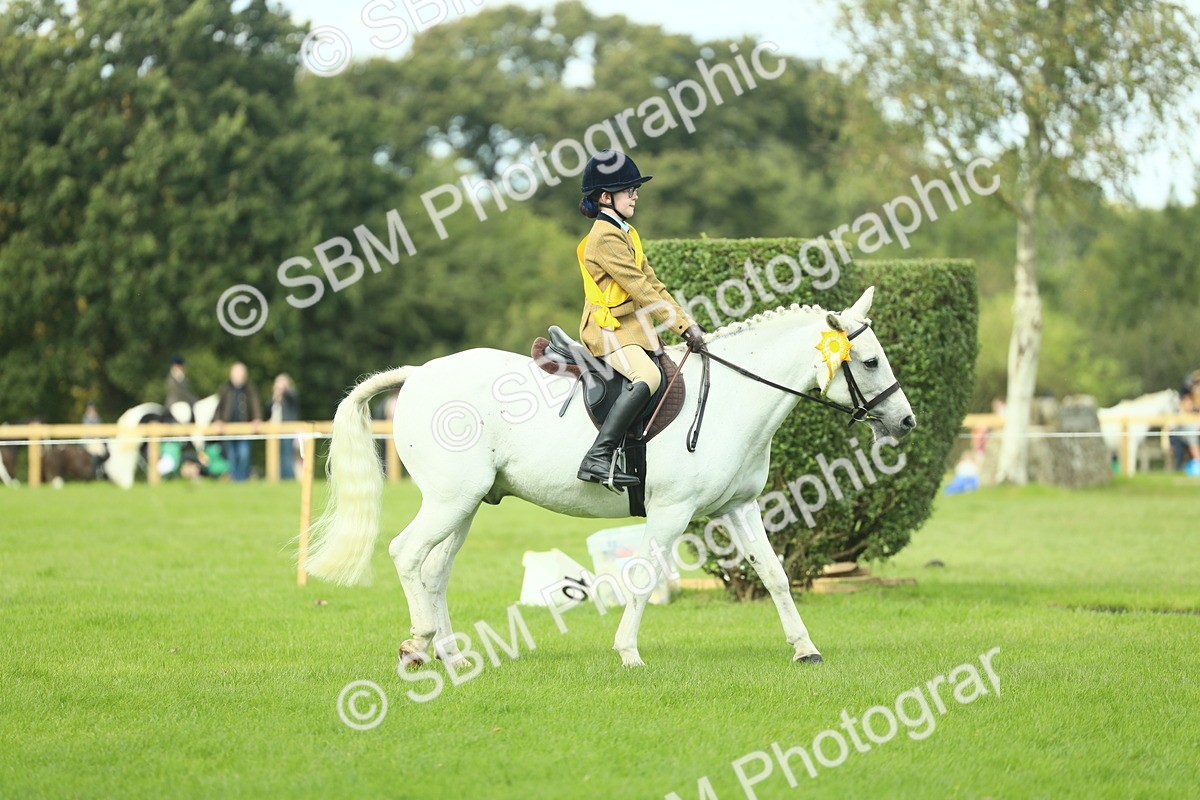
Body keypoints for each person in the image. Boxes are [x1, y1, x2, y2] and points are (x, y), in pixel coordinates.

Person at [574, 149, 704, 487]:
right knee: (648, 375)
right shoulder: (604, 238)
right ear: (606, 197)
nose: (635, 195)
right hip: (606, 327)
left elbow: (654, 284)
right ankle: (598, 457)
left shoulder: (627, 233)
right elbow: (640, 291)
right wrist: (680, 326)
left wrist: (686, 321)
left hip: (631, 326)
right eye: (628, 189)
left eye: (635, 189)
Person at [214, 362, 261, 481]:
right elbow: (219, 407)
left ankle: (243, 478)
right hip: (228, 428)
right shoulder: (225, 388)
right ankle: (235, 479)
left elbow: (255, 406)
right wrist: (218, 421)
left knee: (244, 454)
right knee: (232, 456)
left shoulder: (250, 389)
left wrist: (257, 419)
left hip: (245, 429)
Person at [267, 373, 300, 479]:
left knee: (287, 456)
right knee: (275, 457)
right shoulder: (273, 400)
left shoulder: (290, 397)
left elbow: (292, 396)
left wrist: (284, 390)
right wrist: (275, 399)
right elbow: (267, 412)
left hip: (287, 431)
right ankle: (277, 477)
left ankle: (288, 477)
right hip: (274, 432)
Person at [164, 355, 199, 423]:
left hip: (183, 402)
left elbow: (189, 391)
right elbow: (182, 393)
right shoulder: (172, 379)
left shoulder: (182, 378)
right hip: (175, 403)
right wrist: (194, 400)